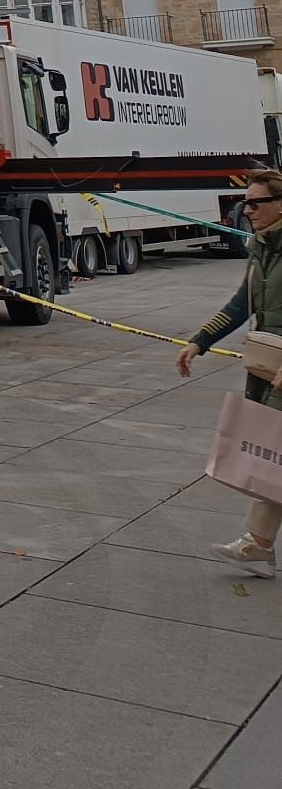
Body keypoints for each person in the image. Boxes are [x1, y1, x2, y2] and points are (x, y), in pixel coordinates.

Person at [177, 167, 282, 576]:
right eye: (245, 203)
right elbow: (241, 305)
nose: (247, 210)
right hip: (268, 365)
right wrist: (198, 342)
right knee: (276, 455)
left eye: (256, 203)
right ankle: (258, 545)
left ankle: (257, 545)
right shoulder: (261, 249)